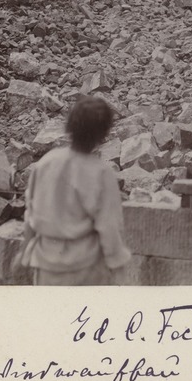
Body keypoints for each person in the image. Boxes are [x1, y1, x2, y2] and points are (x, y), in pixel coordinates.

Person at [19, 96, 131, 285]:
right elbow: (109, 228)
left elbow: (30, 215)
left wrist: (23, 256)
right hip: (85, 269)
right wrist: (117, 269)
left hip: (47, 266)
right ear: (103, 133)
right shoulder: (101, 173)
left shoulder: (46, 163)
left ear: (70, 126)